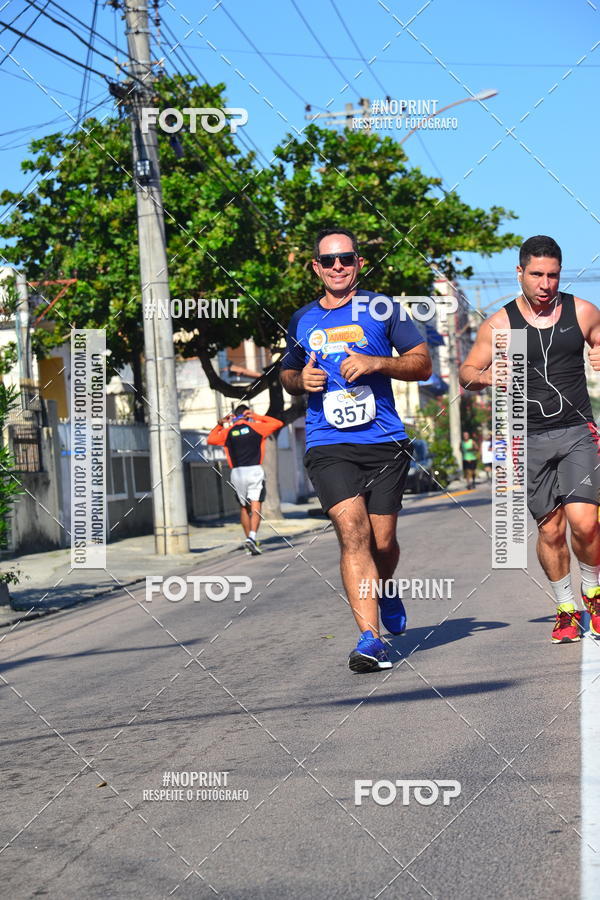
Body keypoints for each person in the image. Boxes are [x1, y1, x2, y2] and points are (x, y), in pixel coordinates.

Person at [280, 227, 432, 672]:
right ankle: (370, 640)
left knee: (382, 544)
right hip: (328, 442)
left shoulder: (384, 308)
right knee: (353, 531)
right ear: (316, 267)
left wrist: (376, 362)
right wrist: (300, 381)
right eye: (328, 260)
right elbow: (287, 374)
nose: (338, 267)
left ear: (359, 263)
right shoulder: (302, 319)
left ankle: (384, 587)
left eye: (346, 258)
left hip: (384, 441)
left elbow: (422, 364)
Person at [459, 235, 600, 643]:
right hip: (526, 438)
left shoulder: (582, 312)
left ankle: (593, 593)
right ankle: (565, 607)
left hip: (577, 431)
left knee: (585, 523)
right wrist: (487, 376)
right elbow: (467, 372)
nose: (545, 284)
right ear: (519, 272)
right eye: (536, 274)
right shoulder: (500, 325)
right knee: (551, 530)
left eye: (552, 275)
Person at [207, 404, 283, 555]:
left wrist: (220, 424)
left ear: (234, 416)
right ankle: (252, 538)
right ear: (247, 414)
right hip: (254, 471)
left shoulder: (228, 432)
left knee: (243, 507)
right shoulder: (256, 428)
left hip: (237, 473)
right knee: (256, 505)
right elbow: (277, 423)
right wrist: (255, 416)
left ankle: (249, 541)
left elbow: (210, 439)